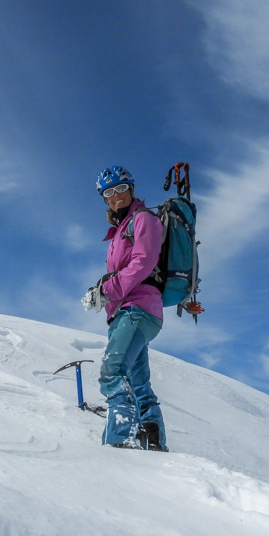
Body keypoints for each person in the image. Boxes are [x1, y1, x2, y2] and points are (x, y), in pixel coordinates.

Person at [82, 166, 168, 451]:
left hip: (138, 310)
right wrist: (102, 293)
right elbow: (124, 271)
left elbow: (142, 263)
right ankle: (154, 441)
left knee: (112, 372)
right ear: (105, 200)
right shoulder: (120, 231)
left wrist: (107, 291)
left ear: (131, 189)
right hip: (127, 313)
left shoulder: (143, 219)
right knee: (136, 379)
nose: (115, 196)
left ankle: (120, 444)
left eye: (120, 189)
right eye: (109, 192)